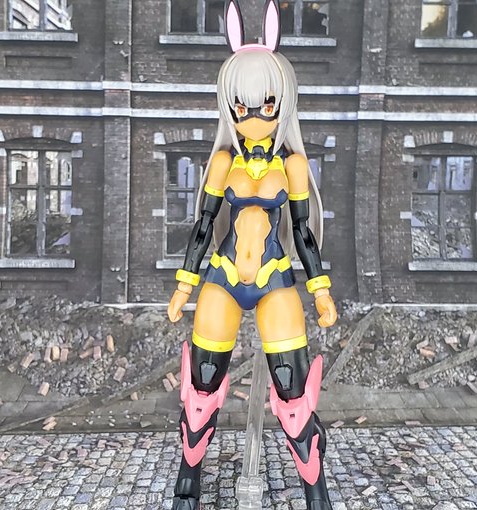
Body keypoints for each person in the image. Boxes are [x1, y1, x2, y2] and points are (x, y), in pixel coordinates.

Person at [167, 1, 337, 509]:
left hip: (274, 277)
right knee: (201, 390)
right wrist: (184, 284)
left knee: (293, 396)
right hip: (222, 276)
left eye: (266, 104)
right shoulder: (224, 162)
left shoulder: (293, 167)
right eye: (242, 106)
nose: (255, 116)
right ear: (230, 107)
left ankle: (316, 493)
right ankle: (188, 481)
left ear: (283, 102)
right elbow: (203, 225)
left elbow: (302, 232)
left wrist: (320, 291)